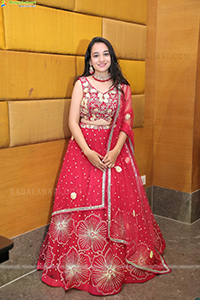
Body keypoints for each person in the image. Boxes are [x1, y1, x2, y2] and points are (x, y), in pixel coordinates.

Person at [37, 37, 171, 296]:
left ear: (112, 57)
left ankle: (112, 262)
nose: (101, 59)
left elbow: (127, 123)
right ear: (89, 61)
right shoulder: (81, 84)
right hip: (82, 150)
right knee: (81, 202)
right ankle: (79, 266)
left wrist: (117, 149)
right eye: (95, 55)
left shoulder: (123, 87)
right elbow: (72, 122)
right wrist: (87, 151)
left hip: (113, 151)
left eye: (105, 54)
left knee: (116, 202)